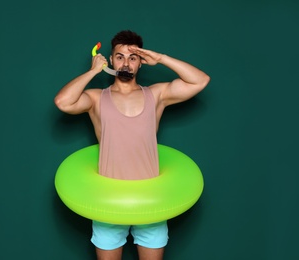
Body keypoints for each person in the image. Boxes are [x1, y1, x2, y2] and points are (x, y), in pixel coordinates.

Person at [54, 30, 210, 260]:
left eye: (133, 57)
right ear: (111, 60)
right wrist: (93, 71)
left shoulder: (156, 95)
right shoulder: (96, 98)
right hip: (107, 199)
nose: (126, 63)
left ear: (141, 63)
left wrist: (162, 58)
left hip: (151, 200)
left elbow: (201, 80)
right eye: (120, 56)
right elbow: (62, 102)